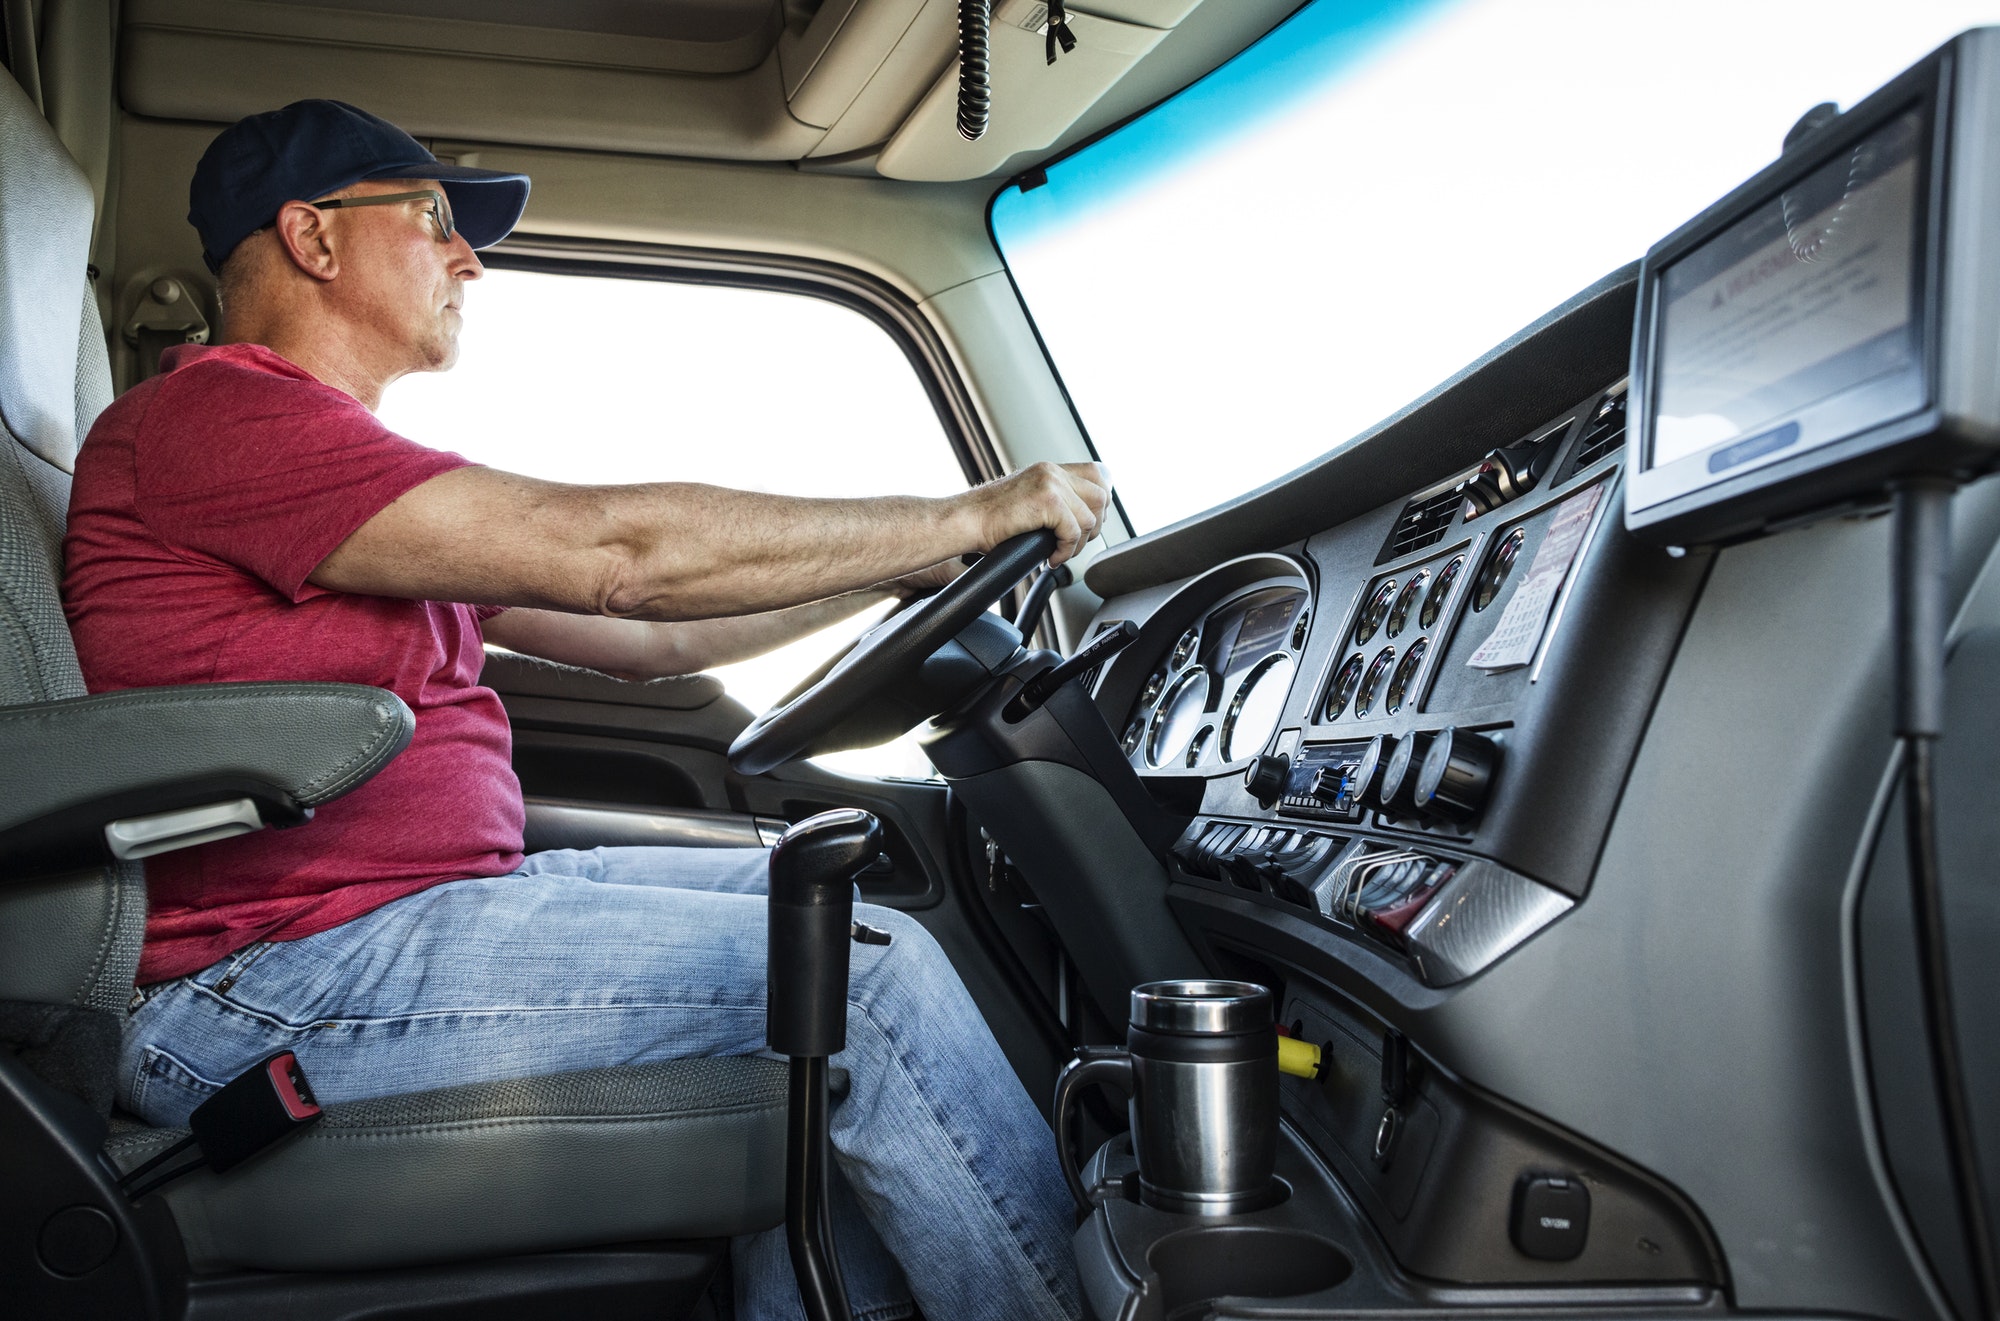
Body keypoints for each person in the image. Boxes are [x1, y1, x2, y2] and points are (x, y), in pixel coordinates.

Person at [62, 99, 1109, 1321]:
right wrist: (961, 516)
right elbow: (617, 555)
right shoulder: (219, 418)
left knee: (828, 917)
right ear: (311, 238)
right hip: (268, 983)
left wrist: (895, 565)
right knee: (867, 986)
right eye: (435, 220)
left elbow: (650, 634)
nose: (470, 258)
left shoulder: (330, 470)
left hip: (395, 926)